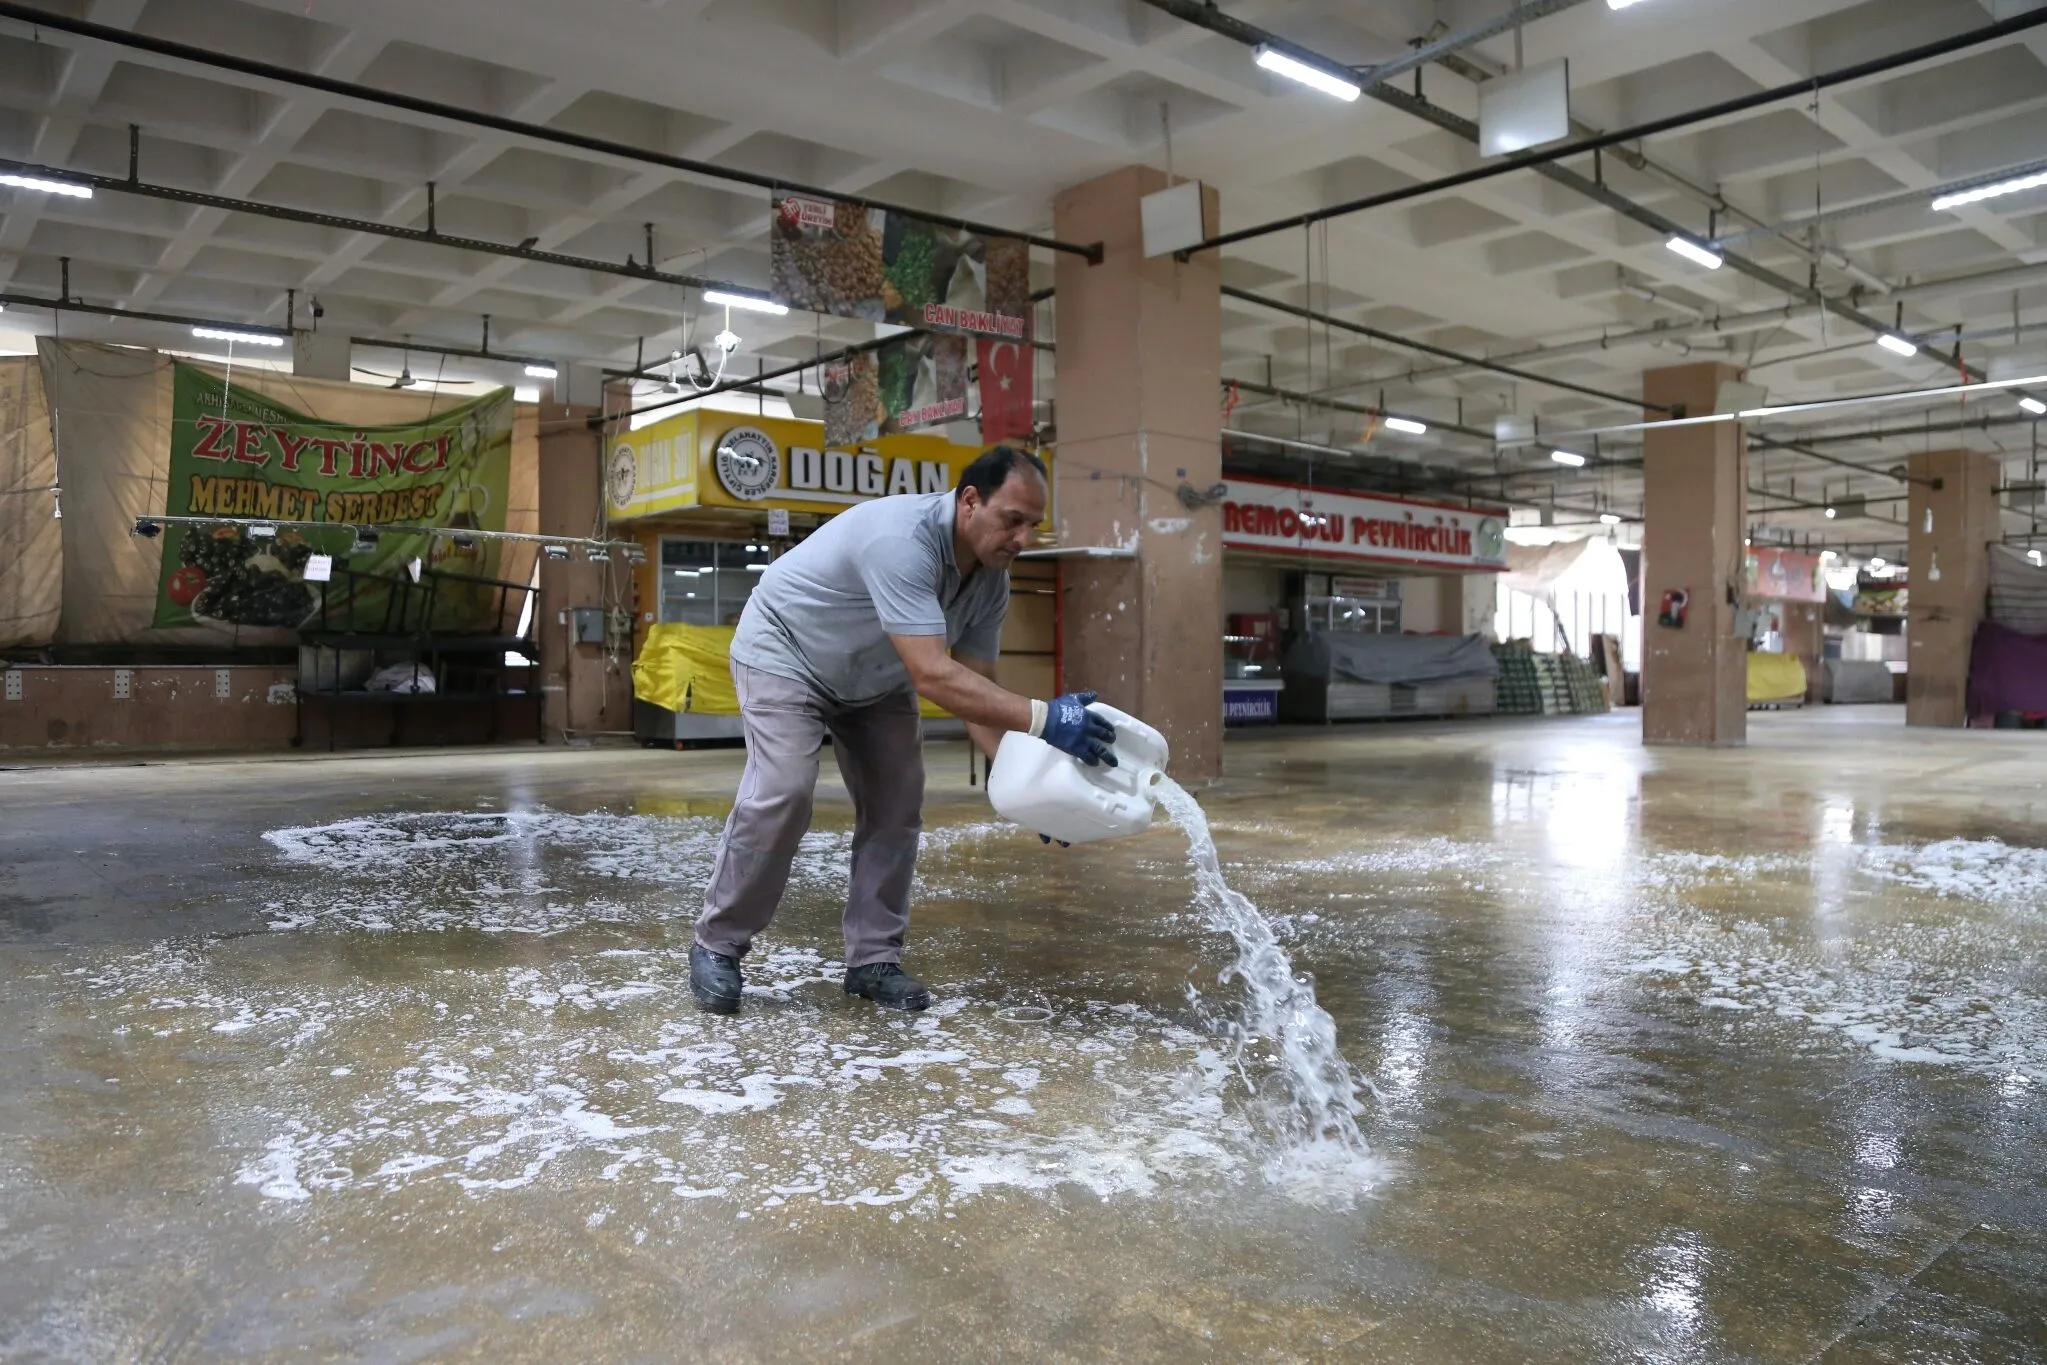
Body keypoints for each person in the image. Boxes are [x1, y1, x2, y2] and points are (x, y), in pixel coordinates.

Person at [689, 445, 1118, 1015]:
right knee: (784, 791)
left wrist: (1032, 788)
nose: (1023, 538)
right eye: (1012, 519)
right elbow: (934, 675)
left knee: (897, 804)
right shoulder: (902, 539)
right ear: (969, 502)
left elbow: (975, 686)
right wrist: (1045, 717)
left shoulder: (990, 579)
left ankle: (872, 961)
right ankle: (717, 945)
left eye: (1033, 525)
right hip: (786, 652)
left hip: (875, 675)